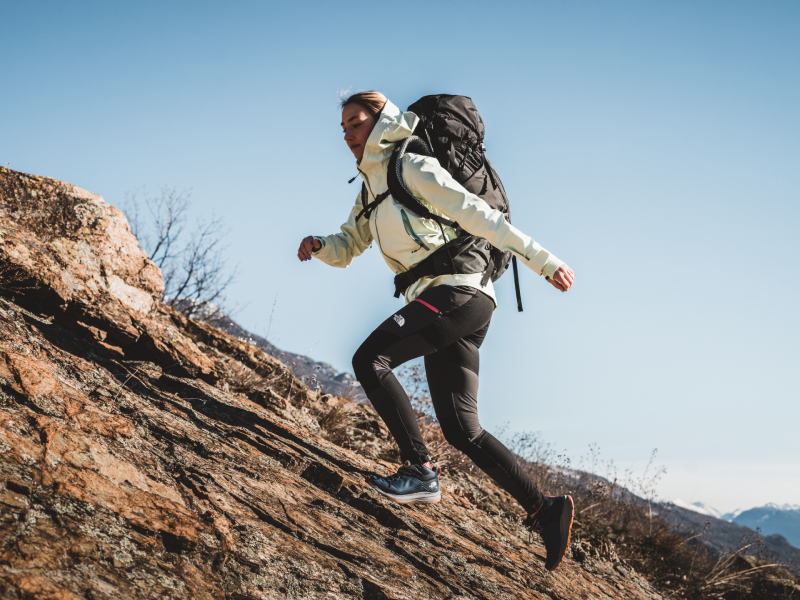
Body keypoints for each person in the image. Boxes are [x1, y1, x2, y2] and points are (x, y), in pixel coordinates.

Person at [298, 91, 576, 571]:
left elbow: (481, 215)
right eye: (342, 128)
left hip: (457, 292)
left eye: (355, 123)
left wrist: (543, 262)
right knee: (461, 428)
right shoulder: (369, 189)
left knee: (370, 359)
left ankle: (419, 471)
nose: (347, 135)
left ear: (380, 119)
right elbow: (349, 245)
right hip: (445, 301)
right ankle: (544, 509)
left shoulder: (413, 166)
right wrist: (321, 245)